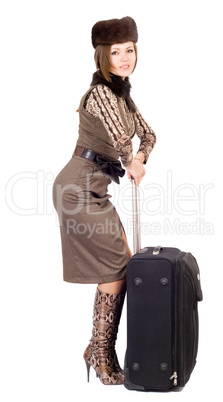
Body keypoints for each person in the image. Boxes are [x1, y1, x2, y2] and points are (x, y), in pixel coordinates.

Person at [52, 16, 156, 385]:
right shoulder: (99, 94)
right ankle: (99, 351)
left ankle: (99, 348)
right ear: (102, 56)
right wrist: (132, 159)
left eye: (129, 50)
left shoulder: (121, 94)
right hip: (77, 189)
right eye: (116, 52)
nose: (125, 57)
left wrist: (140, 158)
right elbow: (120, 140)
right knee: (117, 269)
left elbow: (149, 135)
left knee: (125, 267)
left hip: (96, 190)